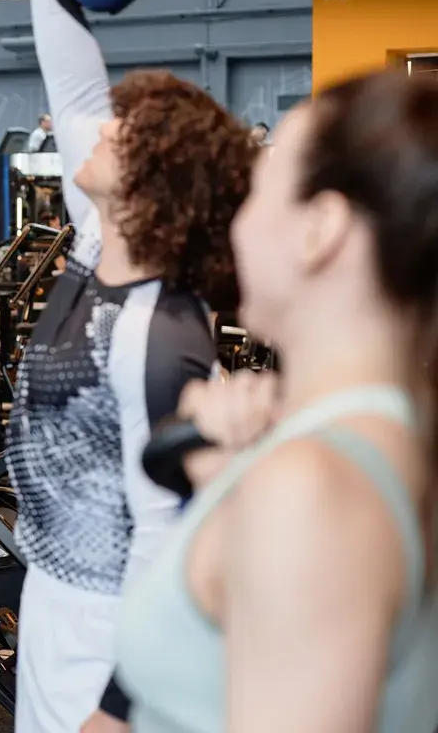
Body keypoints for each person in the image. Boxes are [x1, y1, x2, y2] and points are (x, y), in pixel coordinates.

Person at [115, 70, 438, 732]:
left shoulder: (310, 492)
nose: (236, 222)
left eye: (259, 189)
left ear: (320, 228)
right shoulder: (381, 441)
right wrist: (225, 485)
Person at [7, 0, 259, 732]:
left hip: (110, 634)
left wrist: (118, 705)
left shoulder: (159, 336)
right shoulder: (95, 237)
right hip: (50, 599)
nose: (99, 130)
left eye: (126, 132)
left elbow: (175, 534)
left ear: (154, 183)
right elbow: (75, 87)